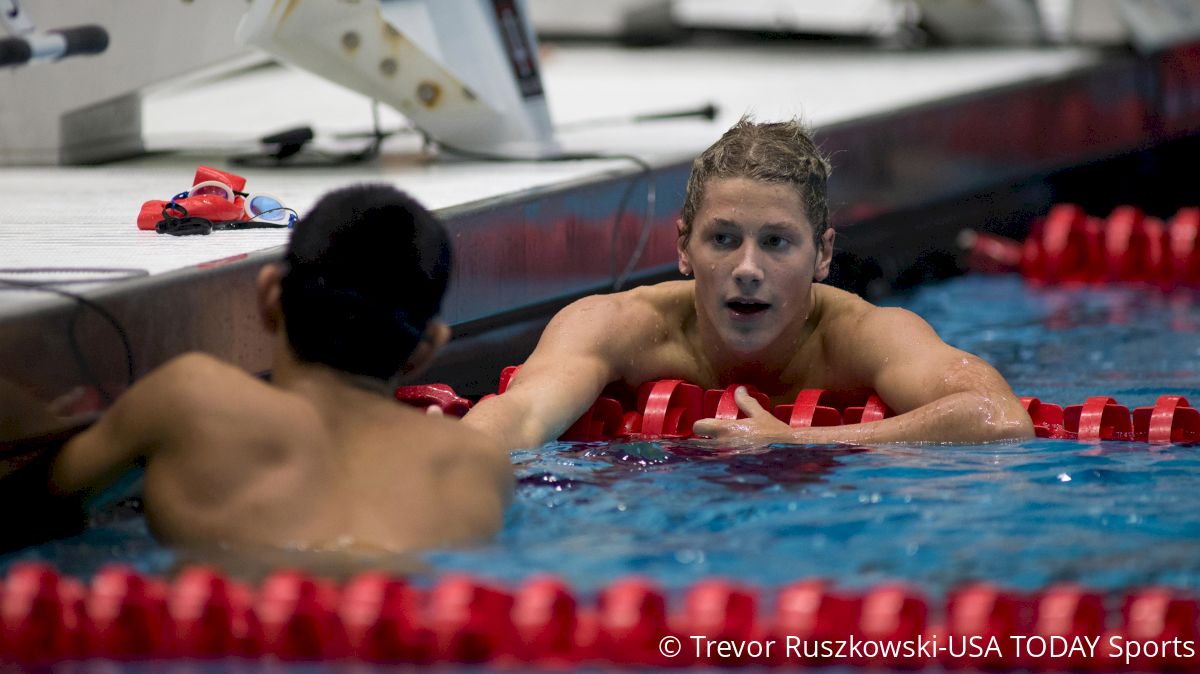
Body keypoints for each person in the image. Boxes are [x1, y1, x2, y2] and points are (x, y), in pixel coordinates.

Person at [463, 116, 1034, 448]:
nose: (747, 268)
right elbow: (522, 416)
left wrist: (799, 440)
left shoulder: (863, 336)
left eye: (777, 242)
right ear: (683, 247)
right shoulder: (615, 327)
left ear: (823, 254)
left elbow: (1002, 418)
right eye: (723, 239)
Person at [50, 184, 512, 554]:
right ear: (427, 347)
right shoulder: (473, 464)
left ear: (270, 295)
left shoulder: (193, 402)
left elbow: (38, 502)